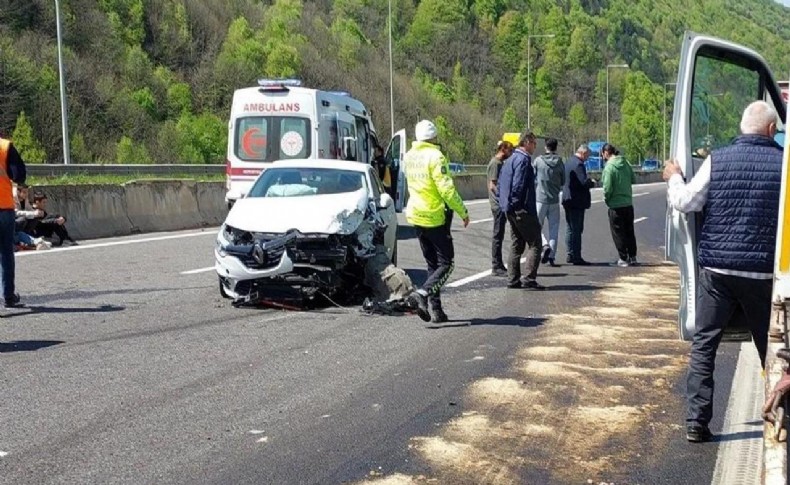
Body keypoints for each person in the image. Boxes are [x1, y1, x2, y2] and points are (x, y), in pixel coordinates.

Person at [663, 100, 783, 443]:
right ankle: (781, 414)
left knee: (705, 346)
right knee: (772, 350)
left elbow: (686, 202)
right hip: (762, 275)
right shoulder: (784, 163)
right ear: (771, 130)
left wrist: (674, 178)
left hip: (717, 272)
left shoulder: (718, 159)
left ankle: (696, 423)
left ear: (742, 127)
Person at [404, 119, 470, 323]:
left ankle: (436, 310)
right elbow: (446, 190)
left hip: (416, 214)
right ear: (433, 137)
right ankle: (422, 294)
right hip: (434, 215)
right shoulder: (436, 156)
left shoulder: (409, 156)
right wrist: (463, 211)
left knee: (432, 264)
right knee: (447, 263)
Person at [498, 132, 545, 290]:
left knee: (517, 243)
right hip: (521, 209)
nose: (534, 147)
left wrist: (507, 205)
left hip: (509, 209)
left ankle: (513, 279)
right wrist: (517, 204)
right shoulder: (523, 160)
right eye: (533, 143)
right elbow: (518, 185)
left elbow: (502, 184)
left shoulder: (510, 159)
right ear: (526, 143)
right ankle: (529, 278)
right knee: (536, 243)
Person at [0, 137, 28, 308]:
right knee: (5, 252)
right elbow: (19, 175)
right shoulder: (5, 147)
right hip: (4, 207)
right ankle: (8, 296)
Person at [601, 143, 637, 267]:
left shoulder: (609, 167)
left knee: (618, 232)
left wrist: (607, 199)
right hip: (628, 203)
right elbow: (633, 179)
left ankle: (623, 258)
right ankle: (633, 256)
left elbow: (607, 187)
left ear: (606, 153)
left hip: (615, 205)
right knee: (629, 231)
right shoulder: (626, 163)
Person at [562, 144, 596, 265]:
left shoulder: (568, 162)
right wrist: (592, 182)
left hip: (567, 198)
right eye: (587, 155)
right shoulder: (579, 165)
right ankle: (577, 255)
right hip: (577, 201)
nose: (587, 158)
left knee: (570, 228)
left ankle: (570, 253)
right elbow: (583, 182)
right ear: (583, 153)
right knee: (577, 229)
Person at [533, 138, 565, 267]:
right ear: (556, 147)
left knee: (536, 227)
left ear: (546, 147)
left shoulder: (538, 161)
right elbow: (563, 181)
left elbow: (533, 177)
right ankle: (552, 255)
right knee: (554, 228)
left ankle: (544, 245)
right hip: (554, 199)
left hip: (540, 198)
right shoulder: (560, 162)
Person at [487, 140, 513, 276]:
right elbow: (493, 185)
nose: (511, 153)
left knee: (500, 234)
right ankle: (496, 265)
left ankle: (499, 264)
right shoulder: (496, 163)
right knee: (498, 235)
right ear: (503, 149)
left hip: (499, 204)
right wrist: (502, 197)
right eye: (510, 150)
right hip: (497, 205)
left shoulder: (500, 163)